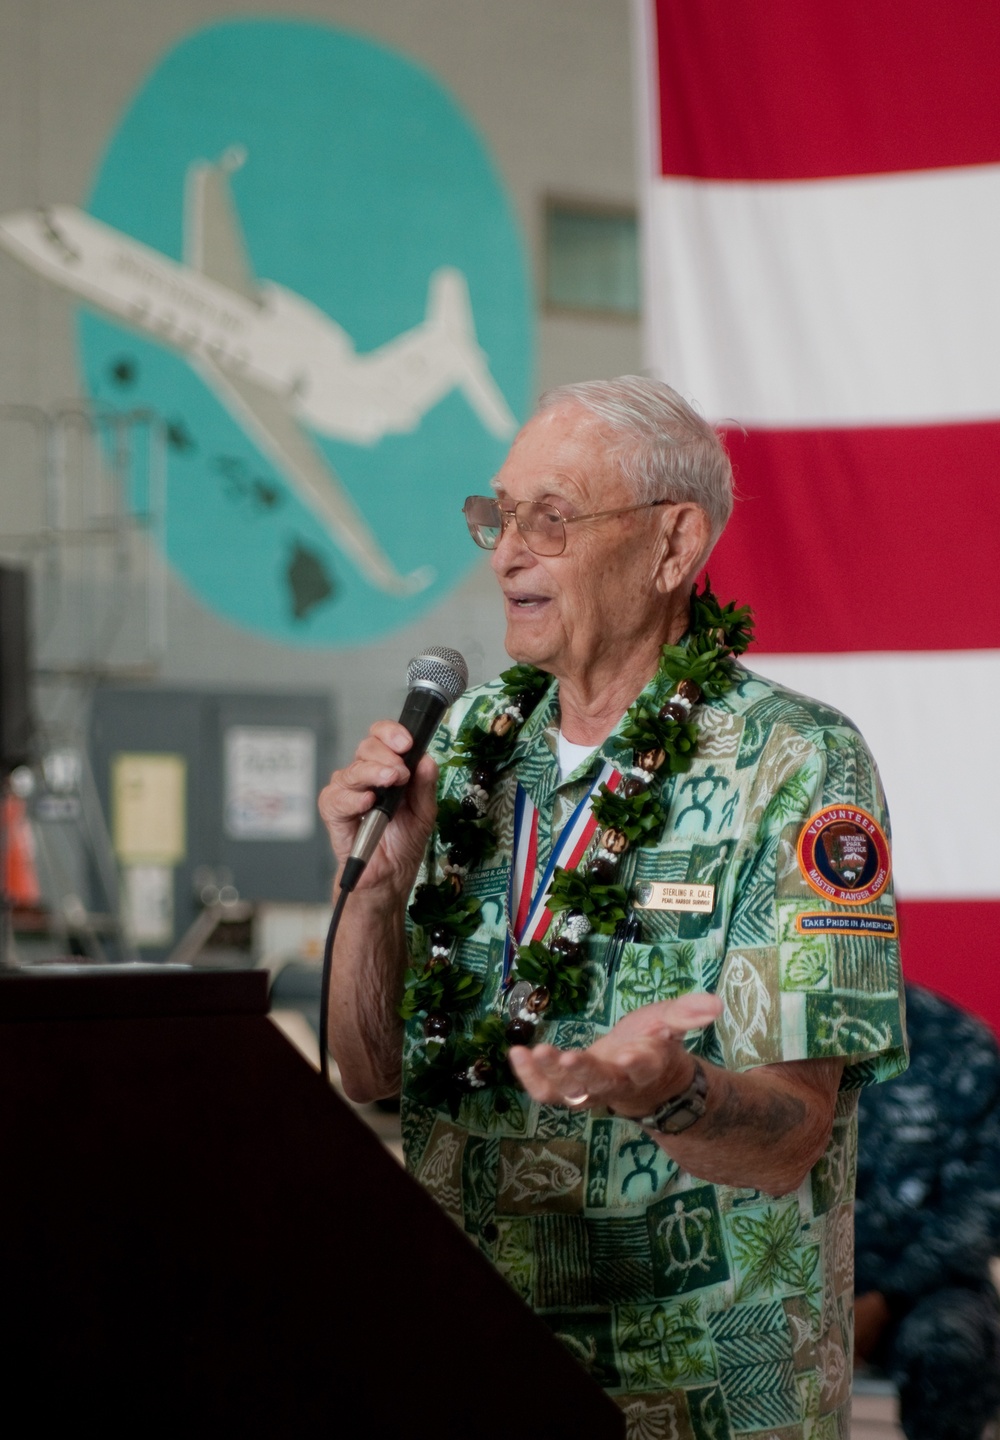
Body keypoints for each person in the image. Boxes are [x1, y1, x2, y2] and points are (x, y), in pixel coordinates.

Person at [320, 377, 907, 1439]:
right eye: (496, 517)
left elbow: (787, 1137)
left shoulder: (797, 762)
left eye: (550, 518)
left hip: (699, 1399)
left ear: (673, 544)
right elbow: (367, 1073)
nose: (504, 554)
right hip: (469, 1363)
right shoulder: (463, 745)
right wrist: (368, 890)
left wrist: (668, 1089)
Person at [854, 982, 1000, 1440]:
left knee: (950, 1344)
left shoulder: (960, 1046)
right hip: (781, 1276)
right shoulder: (752, 1033)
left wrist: (886, 1299)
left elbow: (984, 1204)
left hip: (921, 1286)